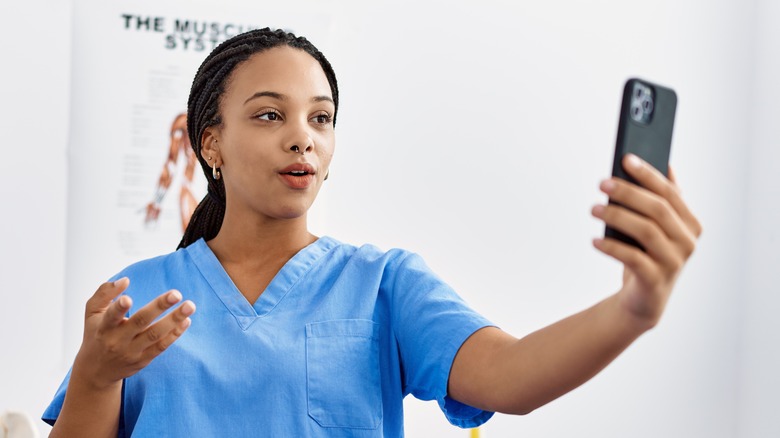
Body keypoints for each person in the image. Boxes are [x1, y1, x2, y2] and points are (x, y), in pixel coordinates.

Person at [43, 28, 702, 437]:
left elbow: (512, 377)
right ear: (210, 143)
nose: (303, 135)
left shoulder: (384, 284)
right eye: (270, 115)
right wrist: (96, 379)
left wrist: (632, 312)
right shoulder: (139, 298)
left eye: (321, 118)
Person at [143, 113, 200, 232]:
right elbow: (171, 165)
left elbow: (171, 165)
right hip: (193, 188)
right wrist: (157, 202)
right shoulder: (183, 122)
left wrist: (156, 202)